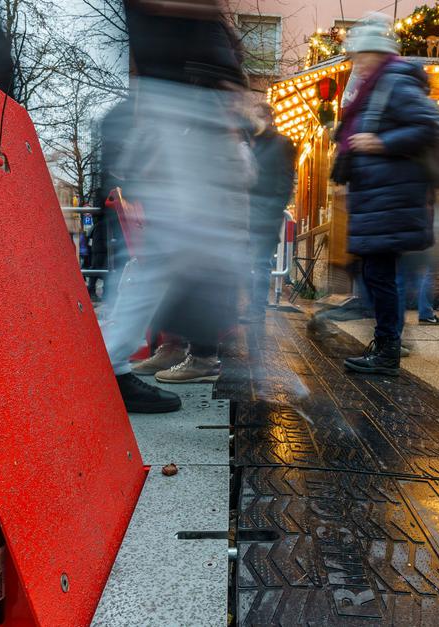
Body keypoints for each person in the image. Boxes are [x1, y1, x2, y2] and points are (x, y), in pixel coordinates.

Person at [99, 0, 251, 410]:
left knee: (166, 253)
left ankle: (122, 360)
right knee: (173, 251)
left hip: (185, 101)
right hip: (184, 103)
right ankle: (121, 362)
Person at [331, 12, 439, 376]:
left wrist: (381, 142)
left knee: (382, 277)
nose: (358, 62)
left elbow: (431, 124)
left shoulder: (394, 82)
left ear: (378, 53)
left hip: (390, 200)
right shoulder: (375, 86)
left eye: (363, 54)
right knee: (378, 276)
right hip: (379, 200)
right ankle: (386, 348)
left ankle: (387, 352)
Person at [243, 101, 296, 321]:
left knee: (261, 262)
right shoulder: (249, 143)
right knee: (243, 262)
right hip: (245, 211)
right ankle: (250, 306)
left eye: (258, 117)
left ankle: (257, 309)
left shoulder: (282, 143)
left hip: (266, 212)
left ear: (267, 118)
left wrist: (274, 209)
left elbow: (286, 180)